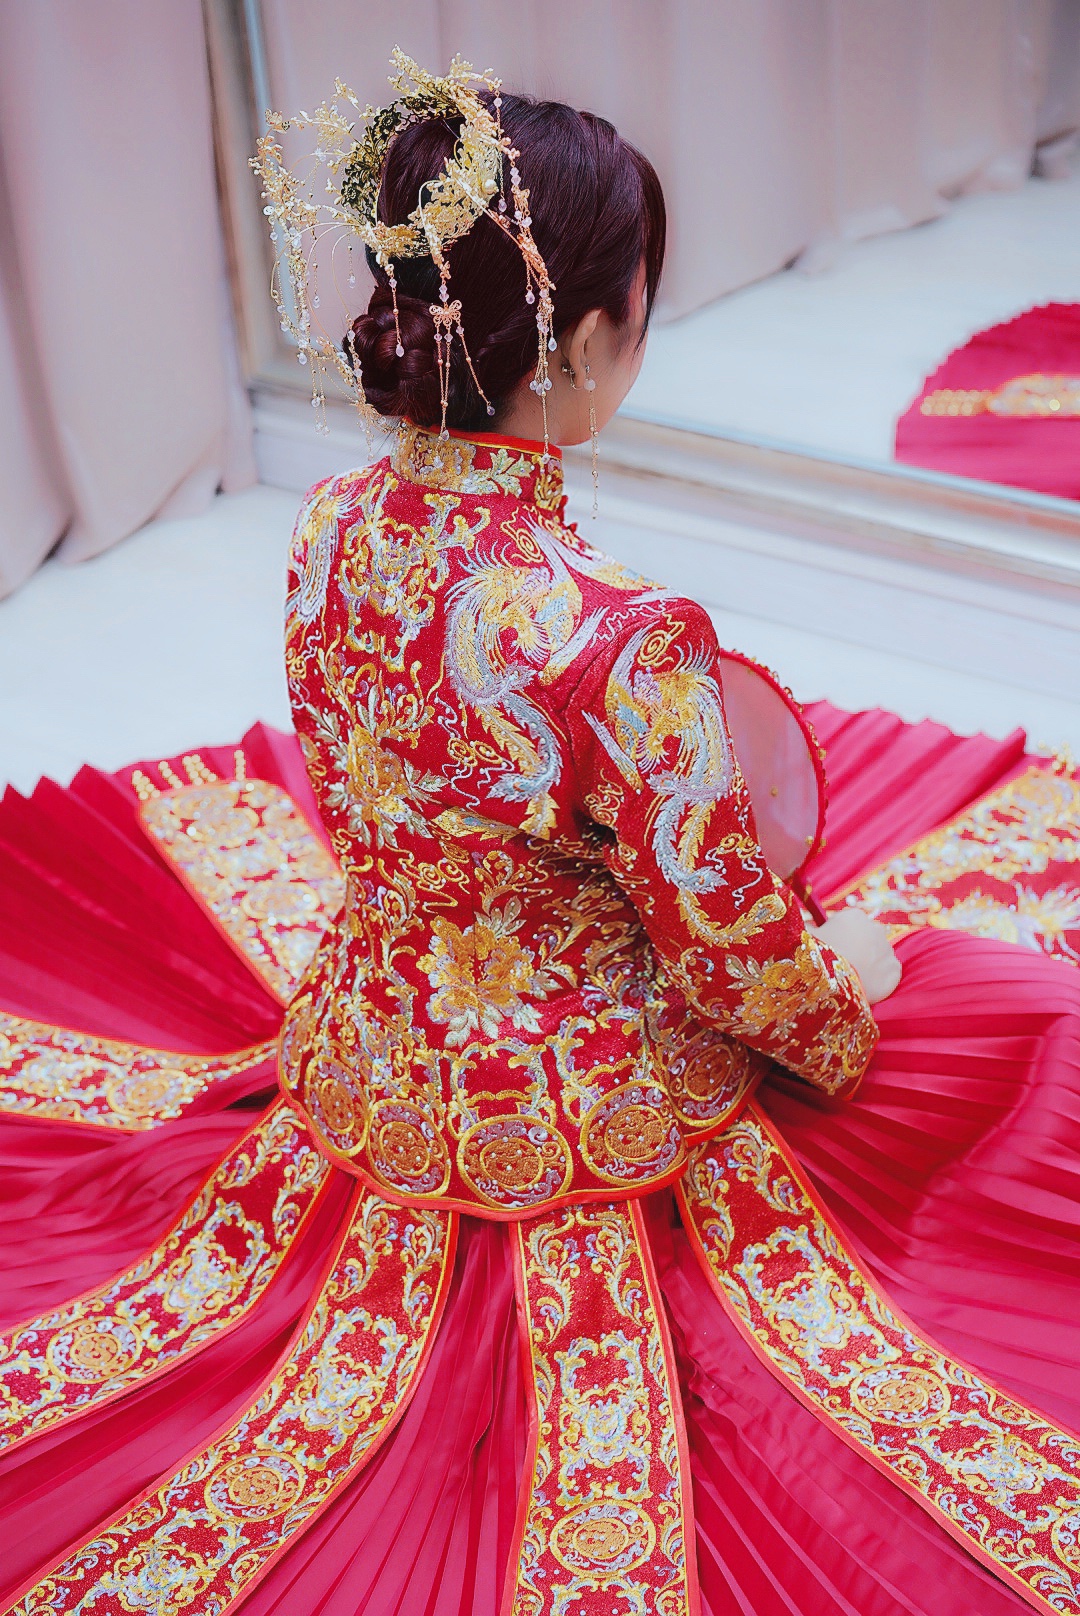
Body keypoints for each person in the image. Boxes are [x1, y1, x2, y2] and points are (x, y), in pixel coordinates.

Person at [0, 52, 1079, 1616]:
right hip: (593, 1112)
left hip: (369, 1062)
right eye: (638, 308)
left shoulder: (330, 525)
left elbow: (373, 778)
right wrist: (848, 993)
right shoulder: (615, 634)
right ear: (582, 339)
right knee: (1000, 1003)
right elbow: (733, 959)